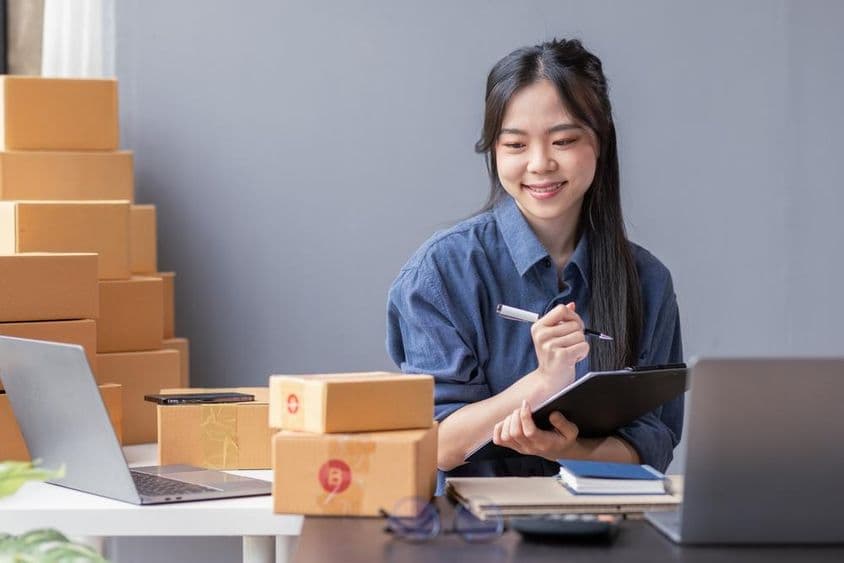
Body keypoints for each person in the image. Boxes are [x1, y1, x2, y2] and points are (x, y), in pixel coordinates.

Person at [386, 38, 683, 494]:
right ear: (495, 151)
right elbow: (439, 443)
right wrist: (543, 382)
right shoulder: (441, 273)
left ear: (599, 143)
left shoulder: (647, 281)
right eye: (516, 144)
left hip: (603, 526)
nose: (540, 164)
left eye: (563, 140)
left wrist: (562, 448)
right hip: (472, 535)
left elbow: (653, 441)